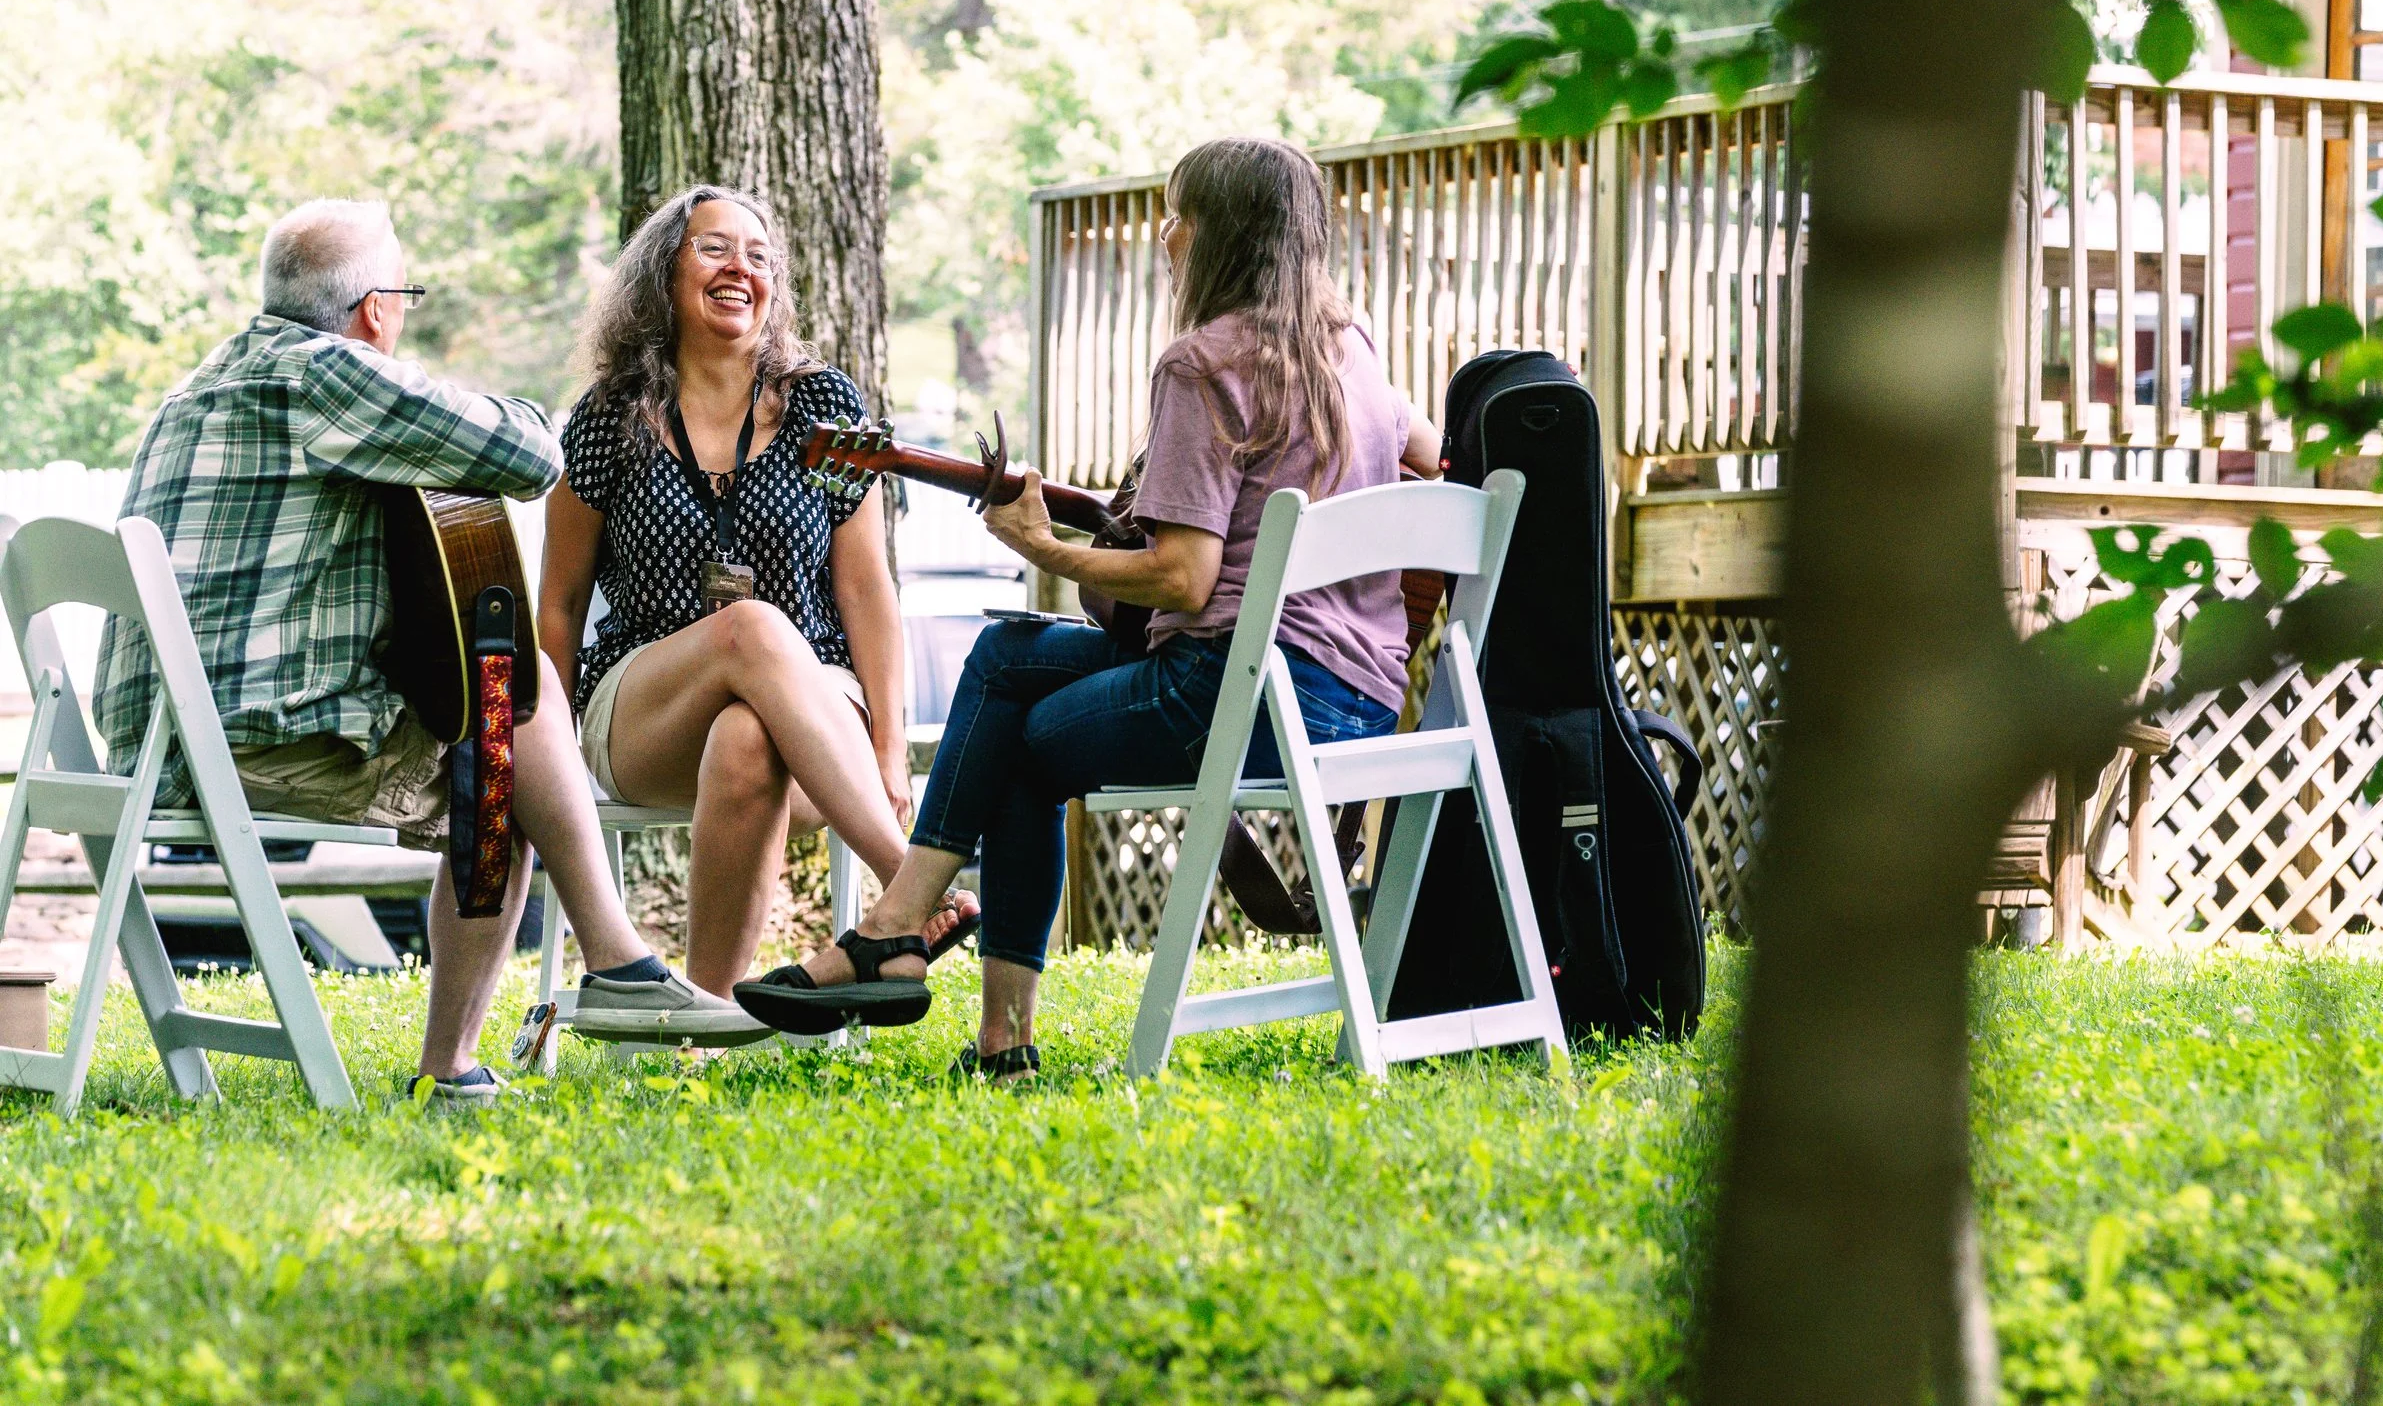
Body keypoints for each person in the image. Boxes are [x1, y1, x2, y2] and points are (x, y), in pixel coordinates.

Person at [733, 136, 1439, 1081]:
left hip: (1238, 695)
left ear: (1222, 233)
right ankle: (929, 963)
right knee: (1006, 662)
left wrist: (1039, 547)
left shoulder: (1203, 365)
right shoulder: (1350, 349)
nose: (1165, 231)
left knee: (1013, 740)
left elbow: (1185, 579)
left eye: (1179, 212)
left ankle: (926, 960)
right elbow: (1429, 456)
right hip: (1356, 703)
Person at [94, 200, 754, 1106]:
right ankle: (572, 990)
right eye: (401, 295)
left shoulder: (200, 386)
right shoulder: (327, 377)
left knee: (510, 721)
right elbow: (527, 449)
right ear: (374, 309)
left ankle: (599, 972)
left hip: (150, 741)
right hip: (239, 743)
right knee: (504, 738)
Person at [540, 185, 977, 999]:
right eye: (714, 247)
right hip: (647, 705)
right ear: (662, 273)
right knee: (749, 626)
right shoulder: (606, 418)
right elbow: (560, 603)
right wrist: (553, 756)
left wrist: (887, 751)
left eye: (759, 255)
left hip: (815, 708)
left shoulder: (824, 404)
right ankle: (912, 891)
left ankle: (702, 1024)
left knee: (747, 732)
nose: (740, 266)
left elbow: (865, 586)